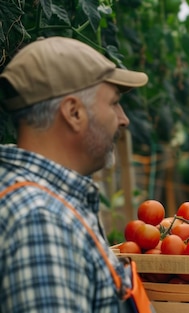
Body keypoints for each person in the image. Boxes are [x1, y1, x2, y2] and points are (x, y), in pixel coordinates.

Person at [0, 37, 149, 312]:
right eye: (114, 102)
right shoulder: (42, 222)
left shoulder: (44, 202)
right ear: (74, 113)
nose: (123, 118)